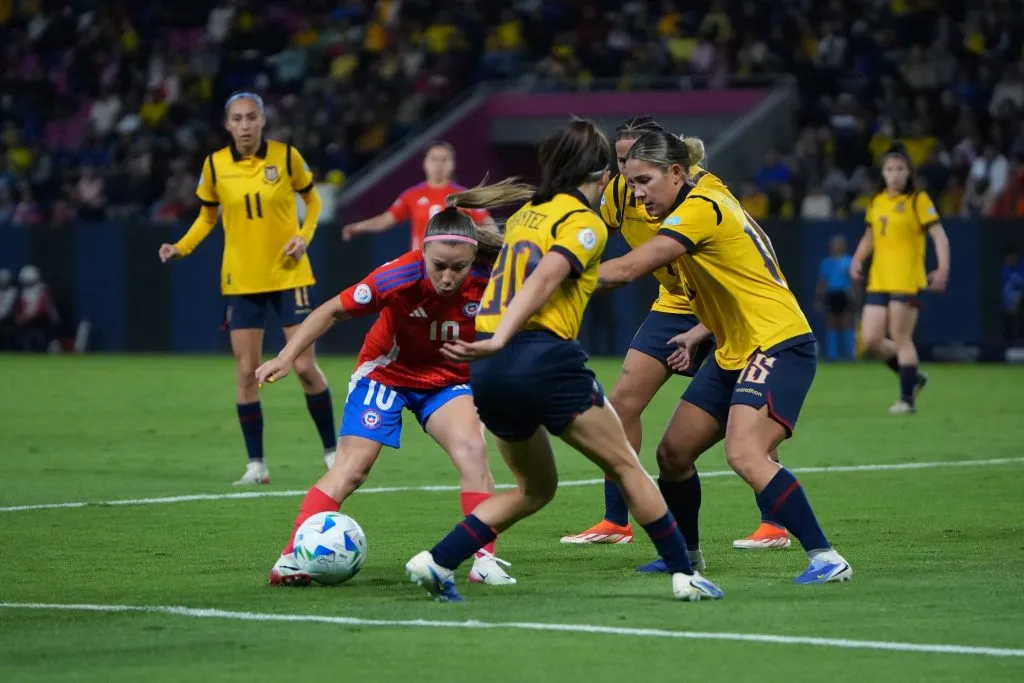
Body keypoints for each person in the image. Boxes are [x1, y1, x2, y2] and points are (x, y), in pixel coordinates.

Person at [403, 118, 724, 603]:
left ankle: (436, 560)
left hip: (490, 373)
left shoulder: (533, 211)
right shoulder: (584, 222)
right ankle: (685, 574)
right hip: (539, 357)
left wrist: (493, 342)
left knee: (534, 489)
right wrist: (502, 336)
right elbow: (545, 277)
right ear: (600, 176)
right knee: (627, 466)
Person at [597, 130, 852, 585]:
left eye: (644, 181)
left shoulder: (700, 209)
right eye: (630, 183)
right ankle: (688, 557)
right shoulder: (703, 197)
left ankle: (827, 558)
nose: (636, 194)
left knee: (746, 453)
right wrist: (699, 331)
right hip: (735, 346)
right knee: (673, 453)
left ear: (676, 172)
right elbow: (742, 278)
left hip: (777, 341)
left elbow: (632, 267)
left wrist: (546, 277)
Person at [563, 116, 788, 555]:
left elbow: (752, 260)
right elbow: (590, 236)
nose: (627, 173)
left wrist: (555, 278)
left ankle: (775, 522)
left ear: (667, 164)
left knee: (748, 412)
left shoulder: (705, 195)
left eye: (634, 161)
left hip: (724, 305)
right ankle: (616, 518)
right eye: (620, 161)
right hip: (674, 301)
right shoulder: (619, 194)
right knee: (622, 401)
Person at [257, 210, 516, 587]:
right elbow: (330, 310)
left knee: (473, 450)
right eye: (439, 265)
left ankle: (484, 561)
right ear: (423, 252)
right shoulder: (398, 277)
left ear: (473, 259)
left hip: (447, 380)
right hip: (386, 374)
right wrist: (285, 356)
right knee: (353, 469)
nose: (447, 277)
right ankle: (290, 559)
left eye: (457, 268)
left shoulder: (491, 276)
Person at [158, 91, 337, 485]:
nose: (244, 125)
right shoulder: (215, 165)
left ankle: (332, 452)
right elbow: (207, 217)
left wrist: (304, 236)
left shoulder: (286, 157)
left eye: (250, 118)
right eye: (236, 119)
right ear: (227, 124)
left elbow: (314, 200)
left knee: (305, 367)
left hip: (290, 276)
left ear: (262, 121)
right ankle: (256, 465)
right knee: (245, 372)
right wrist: (181, 247)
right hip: (241, 280)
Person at [851, 143, 951, 414]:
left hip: (906, 278)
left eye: (900, 169)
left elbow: (939, 235)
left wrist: (942, 268)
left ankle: (907, 400)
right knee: (871, 338)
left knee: (901, 337)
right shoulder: (878, 201)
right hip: (879, 279)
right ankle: (913, 377)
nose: (895, 174)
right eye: (889, 169)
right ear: (882, 173)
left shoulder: (918, 200)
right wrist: (858, 258)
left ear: (908, 172)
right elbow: (870, 236)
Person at [342, 141, 497, 250]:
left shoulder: (464, 196)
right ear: (424, 163)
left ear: (453, 164)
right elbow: (385, 220)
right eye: (434, 159)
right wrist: (358, 227)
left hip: (452, 266)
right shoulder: (412, 195)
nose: (439, 164)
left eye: (444, 159)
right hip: (420, 264)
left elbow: (489, 225)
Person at [817, 234, 856, 362]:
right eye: (834, 245)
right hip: (832, 295)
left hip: (844, 294)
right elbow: (822, 282)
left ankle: (851, 356)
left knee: (847, 324)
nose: (836, 247)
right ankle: (832, 356)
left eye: (838, 244)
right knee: (832, 325)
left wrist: (855, 296)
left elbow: (854, 281)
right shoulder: (826, 263)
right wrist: (819, 298)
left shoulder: (849, 261)